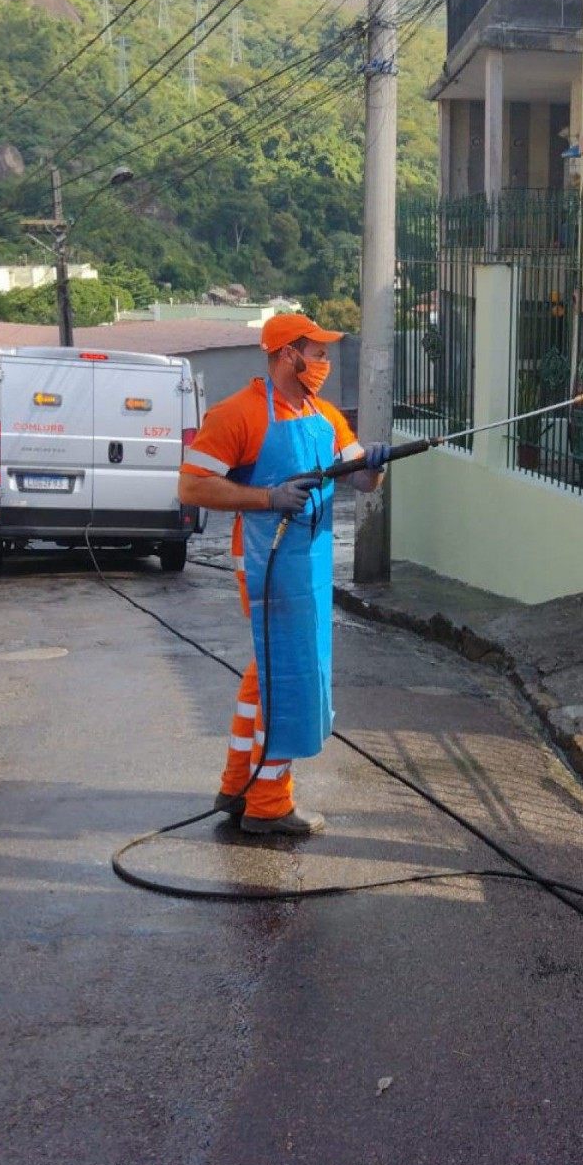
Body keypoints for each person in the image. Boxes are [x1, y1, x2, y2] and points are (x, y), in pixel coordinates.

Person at [177, 313, 386, 836]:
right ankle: (269, 804)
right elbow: (192, 486)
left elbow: (361, 480)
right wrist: (268, 497)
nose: (324, 362)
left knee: (266, 670)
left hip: (309, 563)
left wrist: (375, 464)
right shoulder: (238, 414)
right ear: (287, 355)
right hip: (265, 561)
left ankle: (236, 786)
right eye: (317, 352)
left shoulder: (324, 415)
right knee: (286, 674)